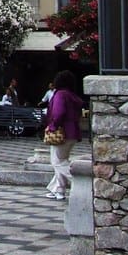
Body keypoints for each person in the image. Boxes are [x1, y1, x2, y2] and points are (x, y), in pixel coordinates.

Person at [44, 70, 84, 201]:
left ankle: (82, 181)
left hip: (62, 132)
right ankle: (58, 190)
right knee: (61, 159)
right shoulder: (72, 96)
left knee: (58, 162)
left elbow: (58, 113)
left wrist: (52, 126)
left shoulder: (60, 95)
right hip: (73, 132)